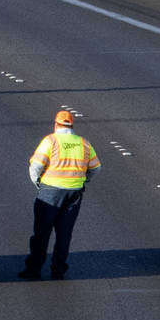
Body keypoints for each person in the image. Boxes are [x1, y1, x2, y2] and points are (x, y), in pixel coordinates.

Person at [19, 110, 100, 280]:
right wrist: (83, 181)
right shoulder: (83, 143)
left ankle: (34, 269)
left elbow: (36, 166)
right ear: (71, 125)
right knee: (64, 233)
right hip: (74, 193)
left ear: (56, 124)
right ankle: (58, 269)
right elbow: (96, 168)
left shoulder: (51, 141)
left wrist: (38, 183)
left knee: (42, 232)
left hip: (50, 191)